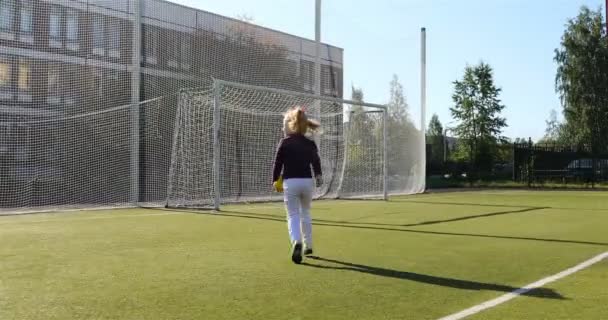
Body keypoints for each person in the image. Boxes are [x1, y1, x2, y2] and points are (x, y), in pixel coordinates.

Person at [272, 107, 323, 264]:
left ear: (291, 125)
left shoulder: (284, 143)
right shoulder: (310, 143)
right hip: (307, 182)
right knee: (305, 213)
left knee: (293, 215)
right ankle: (308, 245)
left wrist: (275, 179)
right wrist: (319, 176)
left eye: (284, 124)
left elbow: (277, 163)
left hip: (290, 183)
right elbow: (316, 161)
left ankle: (297, 242)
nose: (282, 127)